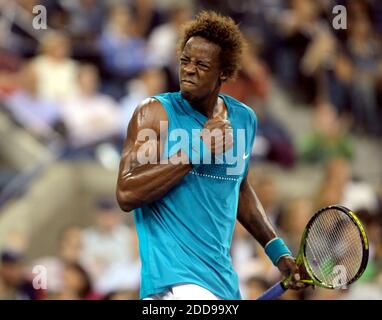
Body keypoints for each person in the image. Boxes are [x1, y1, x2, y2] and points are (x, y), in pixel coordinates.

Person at [116, 11, 304, 300]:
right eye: (185, 61)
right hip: (173, 283)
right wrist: (197, 149)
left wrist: (278, 252)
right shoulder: (153, 112)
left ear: (224, 73)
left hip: (223, 282)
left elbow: (238, 186)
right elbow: (127, 192)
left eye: (201, 64)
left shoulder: (244, 119)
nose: (188, 69)